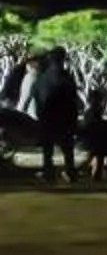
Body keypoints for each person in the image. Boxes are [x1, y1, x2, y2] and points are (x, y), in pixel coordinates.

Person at [29, 49, 81, 182]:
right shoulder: (66, 77)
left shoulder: (42, 78)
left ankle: (48, 172)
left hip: (47, 118)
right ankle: (70, 172)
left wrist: (40, 115)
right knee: (67, 148)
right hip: (64, 118)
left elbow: (35, 95)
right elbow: (73, 99)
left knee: (48, 149)